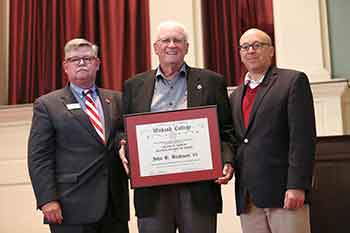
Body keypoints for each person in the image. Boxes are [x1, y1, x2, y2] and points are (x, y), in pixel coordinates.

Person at [121, 20, 234, 233]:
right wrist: (123, 144)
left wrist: (227, 160)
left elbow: (226, 129)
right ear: (156, 47)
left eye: (178, 40)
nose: (171, 45)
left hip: (198, 190)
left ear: (187, 48)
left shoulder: (212, 81)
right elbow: (123, 129)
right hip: (152, 192)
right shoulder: (134, 85)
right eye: (165, 40)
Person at [27, 38, 129, 233]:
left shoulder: (117, 99)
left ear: (97, 64)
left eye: (87, 58)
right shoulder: (47, 105)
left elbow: (120, 136)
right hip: (70, 206)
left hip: (114, 205)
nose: (81, 63)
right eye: (74, 60)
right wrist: (47, 199)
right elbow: (39, 157)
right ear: (65, 66)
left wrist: (123, 141)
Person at [229, 28, 316, 233]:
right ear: (240, 54)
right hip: (249, 199)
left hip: (284, 194)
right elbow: (238, 142)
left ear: (271, 51)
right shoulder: (235, 96)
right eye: (245, 47)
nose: (251, 50)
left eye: (257, 45)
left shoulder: (292, 82)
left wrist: (297, 185)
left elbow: (302, 138)